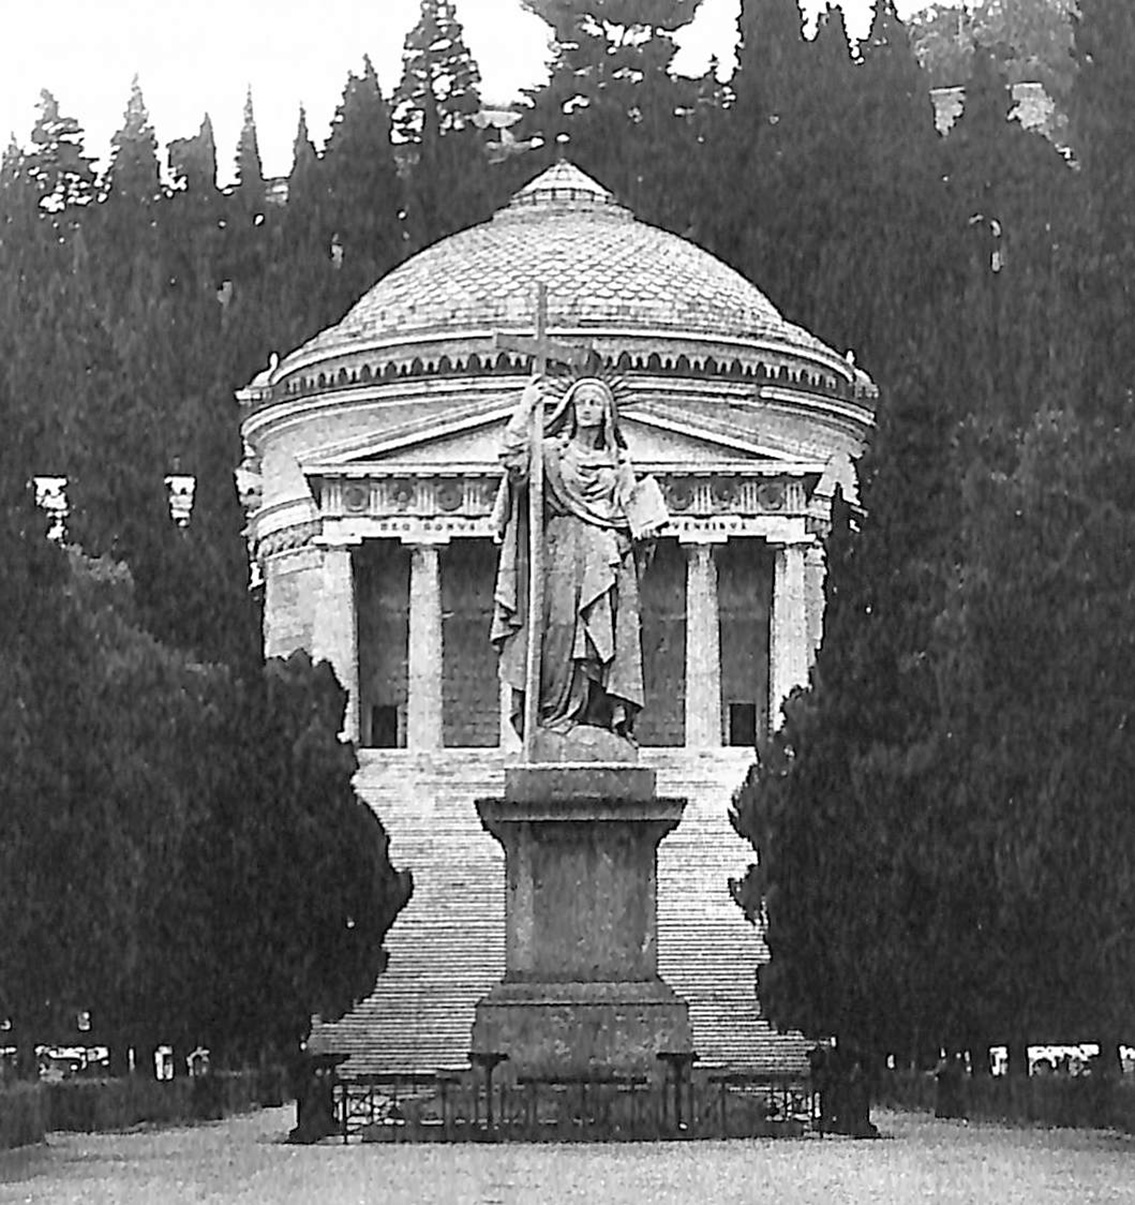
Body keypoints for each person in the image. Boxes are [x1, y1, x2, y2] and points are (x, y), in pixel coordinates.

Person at [491, 373, 665, 742]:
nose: (588, 410)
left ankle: (598, 722)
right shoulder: (551, 452)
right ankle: (553, 717)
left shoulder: (618, 462)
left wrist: (642, 531)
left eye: (596, 403)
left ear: (607, 412)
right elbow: (513, 461)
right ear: (570, 408)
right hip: (561, 557)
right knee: (558, 635)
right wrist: (524, 410)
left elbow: (633, 509)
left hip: (604, 556)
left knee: (600, 642)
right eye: (582, 402)